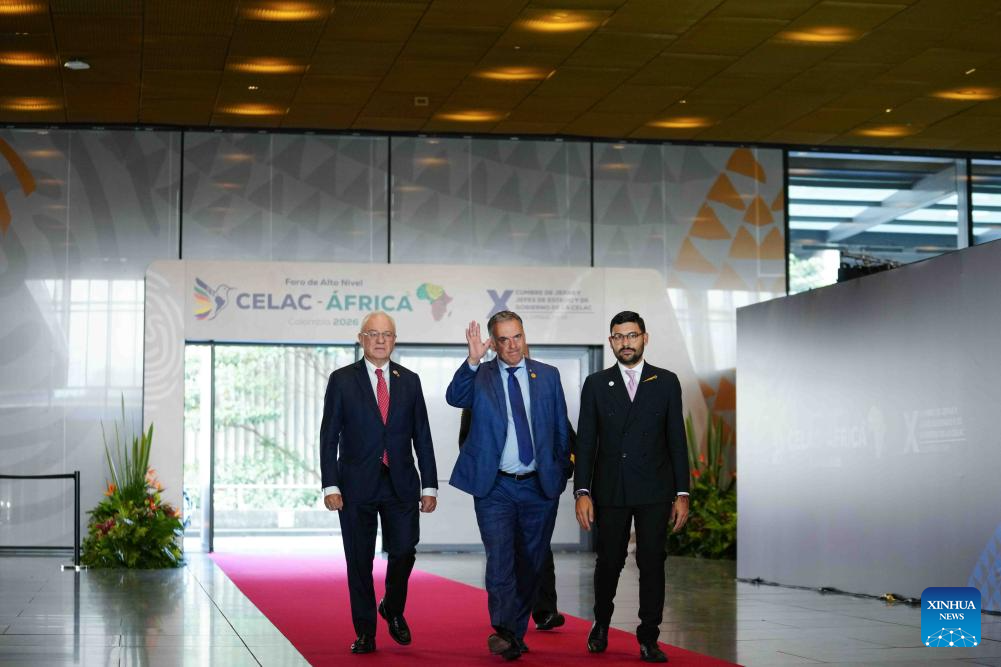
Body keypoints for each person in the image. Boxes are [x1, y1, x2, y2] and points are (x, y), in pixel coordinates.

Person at [447, 311, 570, 660]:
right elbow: (454, 397)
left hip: (538, 487)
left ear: (524, 336)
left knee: (531, 563)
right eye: (503, 339)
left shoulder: (548, 375)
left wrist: (560, 471)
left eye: (517, 337)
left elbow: (561, 427)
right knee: (500, 560)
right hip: (496, 487)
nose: (512, 345)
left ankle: (513, 633)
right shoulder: (481, 375)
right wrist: (472, 361)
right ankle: (504, 630)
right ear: (494, 343)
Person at [573, 310, 690, 664]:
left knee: (652, 561)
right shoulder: (596, 384)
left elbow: (677, 440)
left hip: (655, 489)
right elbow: (586, 443)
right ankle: (601, 622)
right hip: (611, 489)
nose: (626, 342)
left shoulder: (666, 381)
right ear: (611, 341)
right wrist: (582, 492)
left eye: (632, 335)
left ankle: (649, 636)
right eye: (619, 336)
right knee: (609, 561)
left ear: (644, 338)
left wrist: (682, 493)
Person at [319, 311, 438, 655]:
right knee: (359, 561)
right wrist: (330, 485)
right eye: (373, 334)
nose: (380, 340)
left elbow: (422, 435)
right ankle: (365, 631)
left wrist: (429, 485)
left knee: (404, 550)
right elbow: (329, 436)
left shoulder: (410, 381)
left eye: (387, 334)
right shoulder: (342, 380)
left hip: (401, 483)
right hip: (355, 485)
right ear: (361, 339)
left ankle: (392, 607)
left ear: (394, 340)